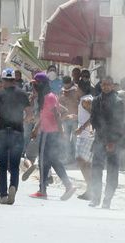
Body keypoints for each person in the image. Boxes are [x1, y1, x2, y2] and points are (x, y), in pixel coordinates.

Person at [29, 72, 76, 200]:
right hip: (48, 132)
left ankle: (42, 190)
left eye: (36, 83)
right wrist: (35, 128)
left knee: (43, 161)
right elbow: (45, 115)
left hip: (49, 134)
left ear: (42, 84)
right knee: (53, 161)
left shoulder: (49, 97)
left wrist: (62, 133)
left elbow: (56, 115)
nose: (34, 86)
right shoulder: (46, 96)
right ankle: (68, 186)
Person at [0, 68, 31, 204]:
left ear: (3, 80)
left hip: (1, 131)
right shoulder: (23, 94)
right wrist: (22, 121)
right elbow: (29, 113)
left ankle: (3, 195)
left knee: (2, 165)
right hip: (17, 131)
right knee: (14, 165)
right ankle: (13, 186)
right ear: (14, 79)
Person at [89, 76, 124, 209]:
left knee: (112, 170)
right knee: (96, 168)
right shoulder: (96, 100)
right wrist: (96, 130)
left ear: (112, 86)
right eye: (104, 84)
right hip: (99, 139)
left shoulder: (118, 101)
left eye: (108, 85)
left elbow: (118, 123)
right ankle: (96, 198)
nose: (106, 87)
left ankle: (107, 199)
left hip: (113, 140)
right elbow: (93, 118)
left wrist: (112, 141)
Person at [74, 80, 94, 200]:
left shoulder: (85, 100)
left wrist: (82, 128)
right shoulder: (86, 99)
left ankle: (91, 189)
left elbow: (94, 116)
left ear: (80, 89)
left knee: (82, 161)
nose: (75, 91)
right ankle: (91, 189)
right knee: (84, 162)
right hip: (86, 135)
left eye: (76, 88)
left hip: (87, 135)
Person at [59, 76, 79, 164]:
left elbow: (80, 103)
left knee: (75, 140)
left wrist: (71, 97)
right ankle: (68, 158)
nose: (66, 86)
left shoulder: (77, 89)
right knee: (66, 140)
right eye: (65, 84)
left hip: (75, 118)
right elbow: (59, 102)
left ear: (71, 82)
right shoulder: (62, 90)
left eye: (68, 84)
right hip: (65, 118)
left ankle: (76, 159)